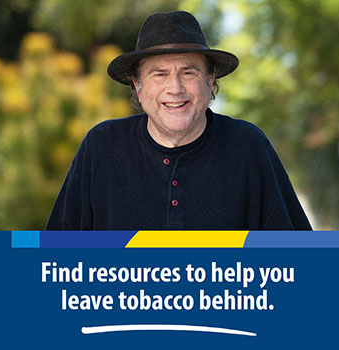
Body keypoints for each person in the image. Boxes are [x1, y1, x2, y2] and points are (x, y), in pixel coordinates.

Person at [47, 11, 312, 230]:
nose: (175, 88)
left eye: (188, 72)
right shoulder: (102, 146)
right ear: (138, 85)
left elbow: (299, 263)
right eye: (159, 74)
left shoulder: (248, 146)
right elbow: (55, 260)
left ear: (210, 81)